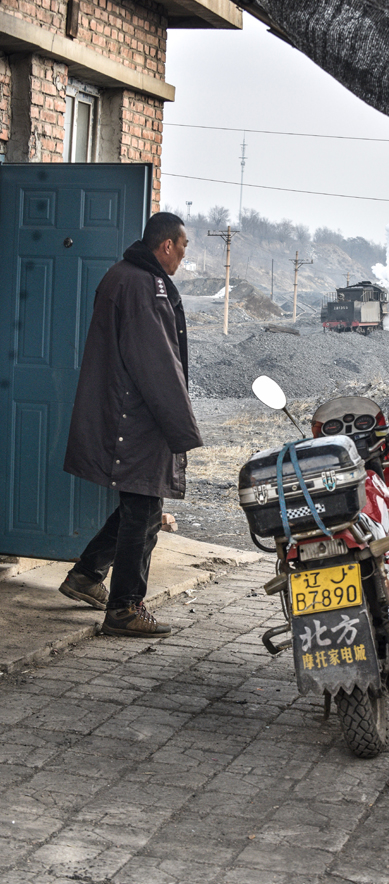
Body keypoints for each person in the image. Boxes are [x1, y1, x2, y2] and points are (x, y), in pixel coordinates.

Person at [59, 212, 203, 637]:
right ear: (166, 246)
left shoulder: (125, 276)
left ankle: (86, 575)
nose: (182, 255)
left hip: (127, 411)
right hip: (137, 418)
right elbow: (158, 365)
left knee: (139, 507)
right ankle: (124, 608)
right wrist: (183, 429)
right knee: (144, 509)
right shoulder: (145, 285)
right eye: (183, 247)